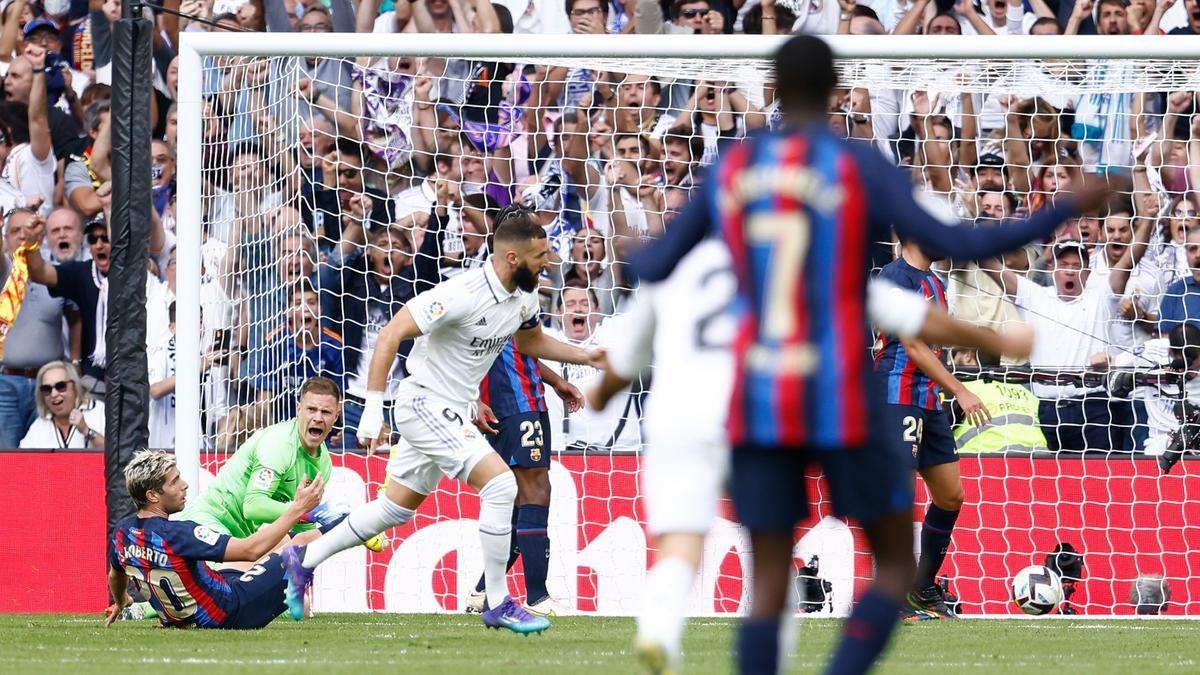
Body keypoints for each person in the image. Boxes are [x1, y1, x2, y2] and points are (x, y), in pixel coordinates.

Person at [627, 35, 1107, 675]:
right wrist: (1067, 206)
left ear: (776, 89)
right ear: (834, 96)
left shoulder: (735, 166)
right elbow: (956, 237)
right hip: (838, 391)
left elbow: (655, 265)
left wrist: (632, 230)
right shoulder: (856, 165)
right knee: (894, 566)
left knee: (769, 578)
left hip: (760, 397)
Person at [282, 205, 606, 635]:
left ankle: (305, 559)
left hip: (451, 407)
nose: (549, 262)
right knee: (502, 485)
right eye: (541, 255)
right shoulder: (461, 292)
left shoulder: (525, 295)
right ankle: (496, 601)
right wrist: (374, 410)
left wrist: (585, 355)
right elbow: (391, 332)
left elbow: (530, 341)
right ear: (512, 258)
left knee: (393, 509)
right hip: (423, 404)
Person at [874, 237, 989, 622]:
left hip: (928, 400)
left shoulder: (935, 282)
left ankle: (922, 586)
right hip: (896, 394)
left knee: (951, 495)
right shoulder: (894, 276)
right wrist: (960, 390)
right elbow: (914, 347)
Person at [105, 449, 325, 629]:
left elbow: (115, 575)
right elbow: (251, 550)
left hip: (195, 607)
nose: (185, 484)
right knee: (303, 543)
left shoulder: (122, 535)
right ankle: (353, 523)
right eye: (174, 481)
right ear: (152, 495)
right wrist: (297, 510)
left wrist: (121, 599)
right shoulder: (179, 534)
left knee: (284, 540)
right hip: (233, 611)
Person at [179, 377, 381, 549]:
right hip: (208, 522)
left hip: (240, 537)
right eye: (311, 409)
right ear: (299, 409)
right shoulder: (280, 445)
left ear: (336, 416)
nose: (318, 418)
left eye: (325, 412)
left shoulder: (323, 464)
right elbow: (253, 506)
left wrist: (352, 529)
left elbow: (301, 527)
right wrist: (313, 512)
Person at [466, 337, 583, 616]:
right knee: (537, 490)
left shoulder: (518, 300)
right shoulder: (488, 300)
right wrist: (473, 399)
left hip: (530, 401)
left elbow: (524, 348)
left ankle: (482, 592)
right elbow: (464, 349)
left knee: (522, 502)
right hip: (512, 404)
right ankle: (538, 597)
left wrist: (556, 381)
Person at [20, 360, 104, 448]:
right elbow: (21, 459)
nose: (54, 394)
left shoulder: (98, 411)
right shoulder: (40, 424)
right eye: (47, 389)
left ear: (75, 387)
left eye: (60, 386)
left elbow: (115, 454)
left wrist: (87, 431)